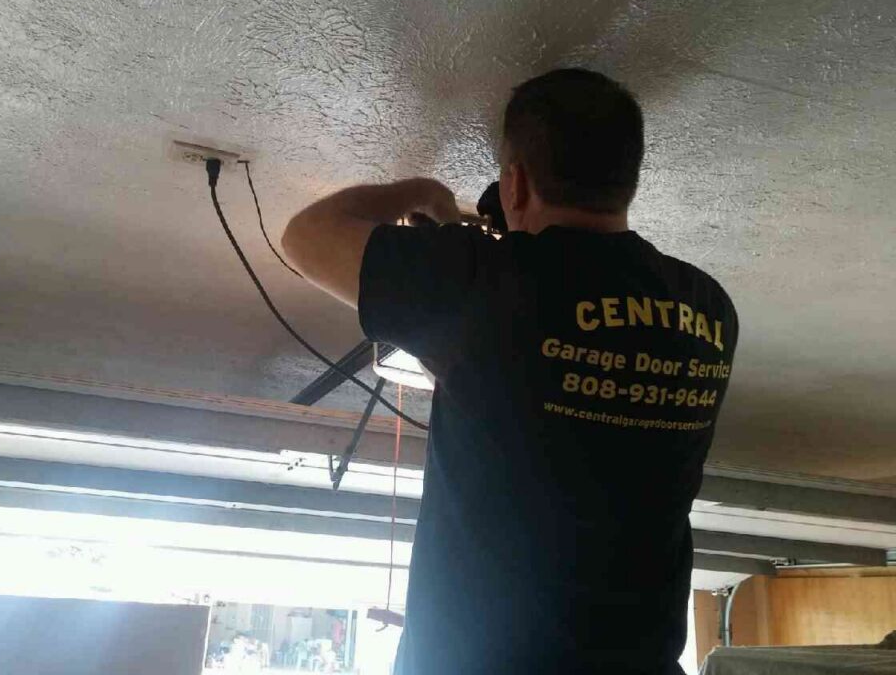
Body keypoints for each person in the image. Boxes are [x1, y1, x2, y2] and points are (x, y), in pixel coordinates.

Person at [282, 68, 739, 674]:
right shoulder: (707, 310)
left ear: (516, 182)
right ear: (627, 180)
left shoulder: (478, 284)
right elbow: (557, 388)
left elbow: (305, 236)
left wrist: (417, 191)